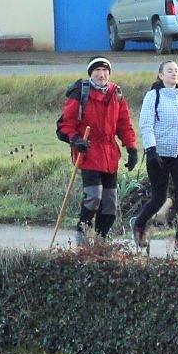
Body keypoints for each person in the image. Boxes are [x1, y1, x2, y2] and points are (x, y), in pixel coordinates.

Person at [57, 56, 137, 247]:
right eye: (97, 71)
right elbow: (65, 124)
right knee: (93, 197)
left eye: (105, 70)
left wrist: (131, 147)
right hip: (89, 152)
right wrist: (76, 140)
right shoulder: (80, 92)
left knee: (110, 203)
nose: (102, 74)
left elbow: (124, 124)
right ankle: (83, 241)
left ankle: (102, 242)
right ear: (90, 73)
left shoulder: (116, 93)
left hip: (110, 154)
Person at [133, 59, 178, 250]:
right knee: (159, 198)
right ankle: (139, 223)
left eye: (176, 70)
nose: (174, 73)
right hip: (159, 153)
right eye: (169, 70)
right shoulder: (153, 96)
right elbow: (146, 124)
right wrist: (151, 149)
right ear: (161, 75)